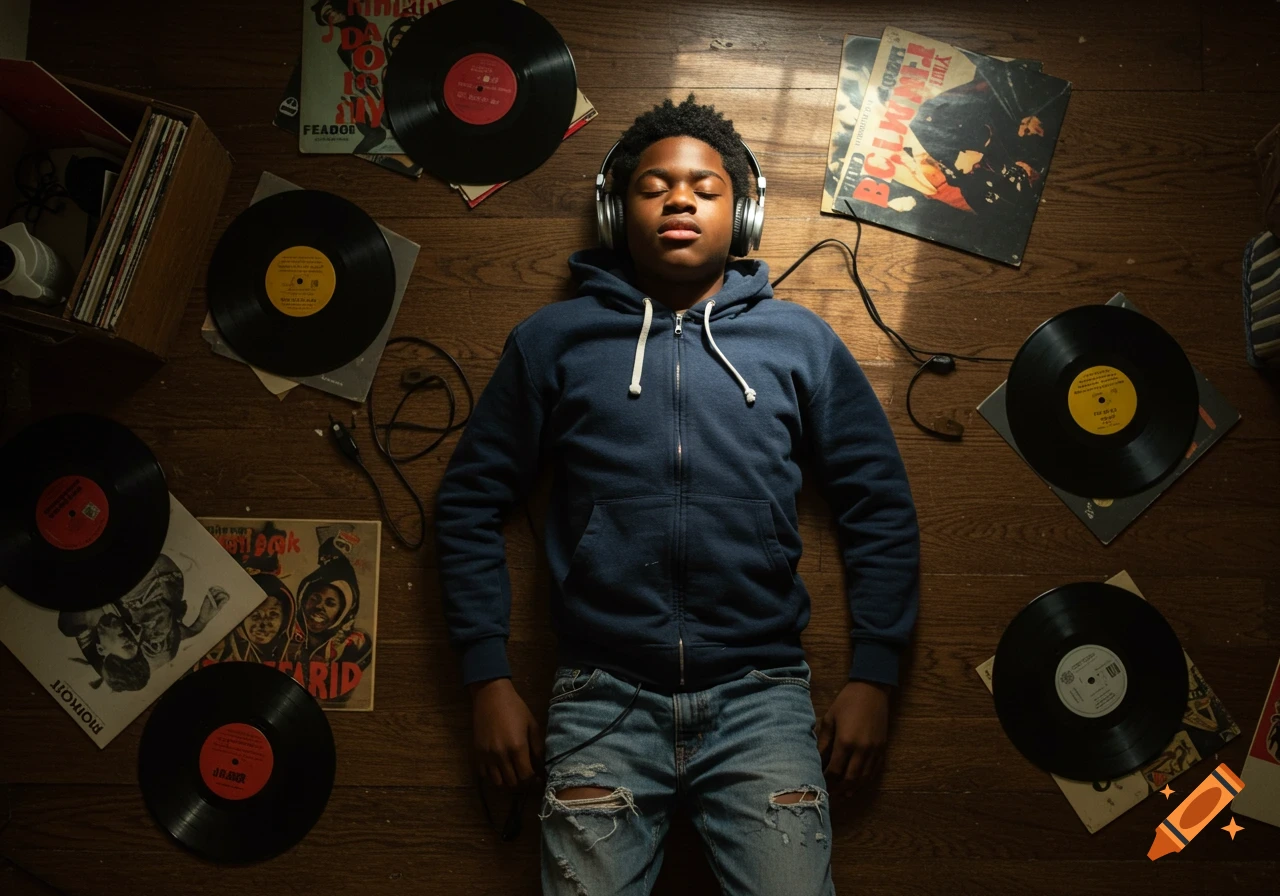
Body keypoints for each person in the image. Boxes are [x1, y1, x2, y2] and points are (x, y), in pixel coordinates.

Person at [435, 95, 919, 896]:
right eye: (654, 186)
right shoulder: (552, 342)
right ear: (614, 209)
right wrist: (486, 679)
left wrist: (875, 674)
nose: (681, 199)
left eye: (706, 186)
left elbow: (879, 506)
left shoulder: (801, 341)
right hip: (600, 701)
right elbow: (468, 504)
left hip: (761, 700)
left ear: (746, 210)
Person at [293, 543, 373, 703]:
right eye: (314, 598)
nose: (319, 606)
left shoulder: (356, 644)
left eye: (330, 603)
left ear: (342, 612)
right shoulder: (282, 634)